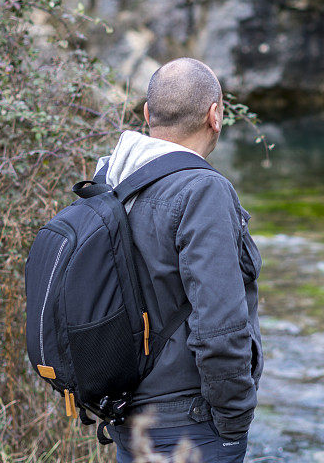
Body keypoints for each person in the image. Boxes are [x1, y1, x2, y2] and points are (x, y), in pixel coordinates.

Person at [96, 58, 263, 463]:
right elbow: (220, 330)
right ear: (216, 114)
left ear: (148, 115)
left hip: (126, 414)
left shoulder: (108, 180)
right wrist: (235, 419)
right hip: (190, 426)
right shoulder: (204, 191)